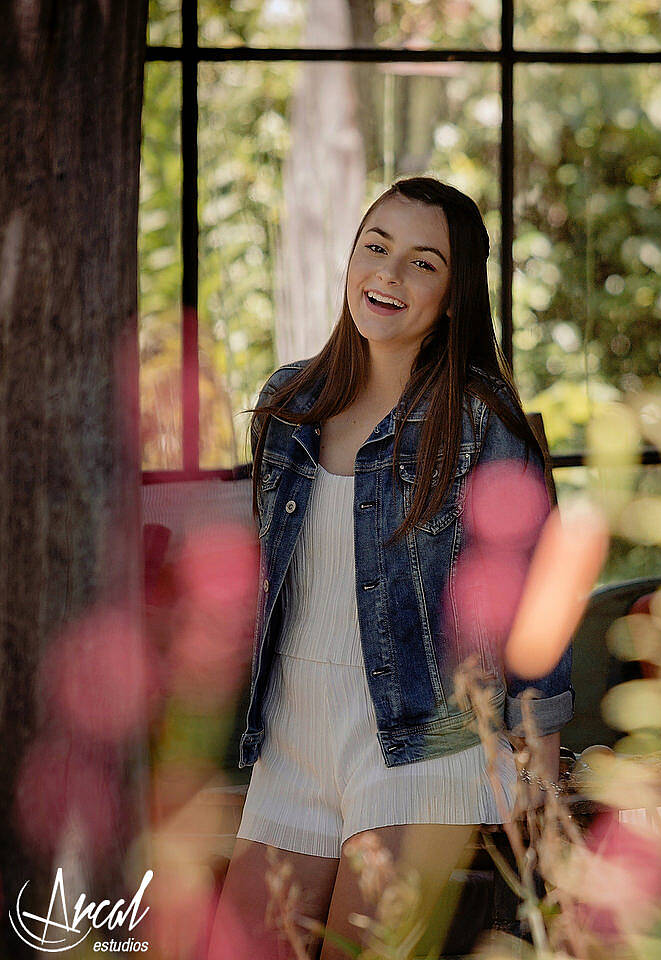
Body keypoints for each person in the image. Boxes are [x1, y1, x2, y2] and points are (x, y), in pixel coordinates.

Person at [208, 176, 573, 960]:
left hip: (426, 743)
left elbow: (540, 593)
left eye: (422, 263)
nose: (389, 274)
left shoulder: (481, 421)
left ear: (454, 297)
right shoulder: (289, 403)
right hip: (293, 739)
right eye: (376, 247)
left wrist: (540, 767)